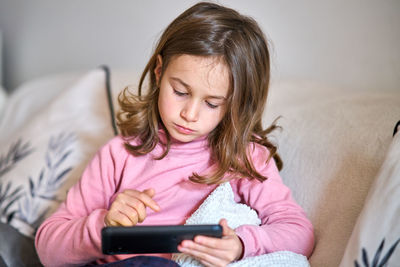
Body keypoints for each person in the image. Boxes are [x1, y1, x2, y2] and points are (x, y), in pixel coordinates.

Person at [35, 2, 314, 266]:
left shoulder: (244, 156)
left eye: (212, 103)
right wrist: (102, 225)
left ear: (237, 103)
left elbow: (299, 231)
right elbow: (48, 249)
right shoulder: (119, 154)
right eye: (180, 92)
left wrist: (242, 244)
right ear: (159, 72)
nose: (190, 114)